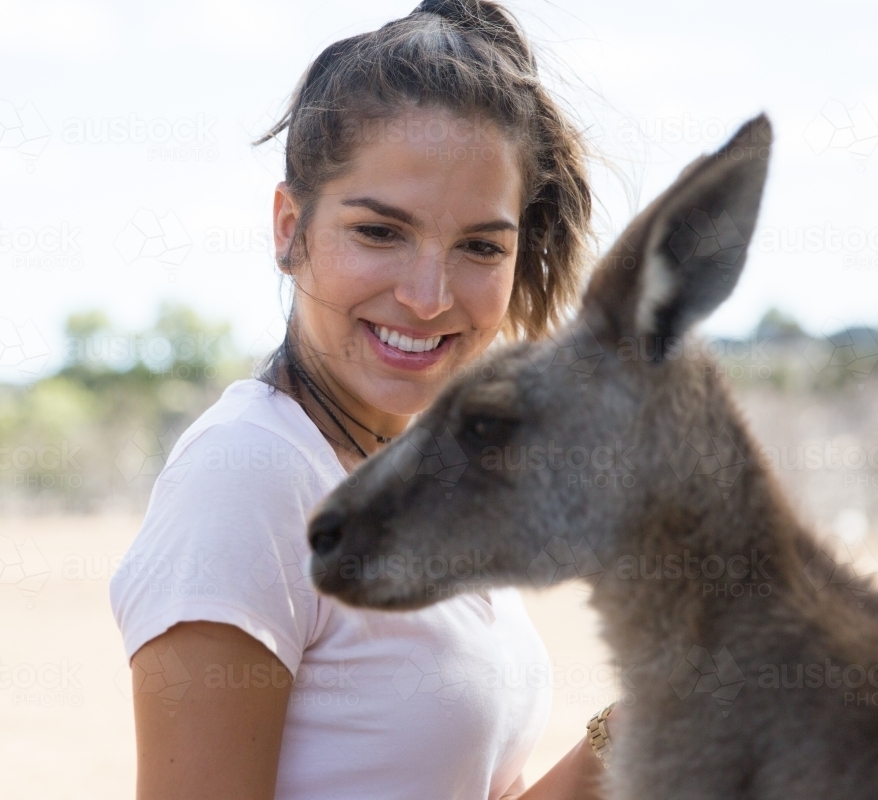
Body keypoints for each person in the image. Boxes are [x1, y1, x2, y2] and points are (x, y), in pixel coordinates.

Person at [110, 2, 620, 798]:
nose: (427, 296)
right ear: (290, 229)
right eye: (381, 232)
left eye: (480, 246)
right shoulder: (249, 477)